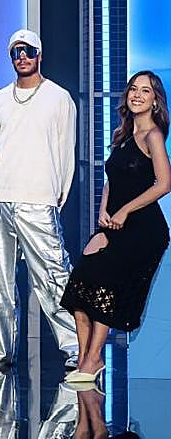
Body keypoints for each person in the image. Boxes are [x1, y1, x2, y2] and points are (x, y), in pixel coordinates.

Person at [0, 30, 80, 371]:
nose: (23, 57)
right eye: (16, 52)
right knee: (0, 279)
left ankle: (75, 346)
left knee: (52, 276)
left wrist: (57, 195)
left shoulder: (59, 98)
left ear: (40, 55)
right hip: (1, 195)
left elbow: (66, 150)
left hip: (39, 196)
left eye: (29, 51)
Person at [61, 71, 170, 385]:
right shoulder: (122, 134)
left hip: (144, 229)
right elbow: (113, 180)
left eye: (145, 91)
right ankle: (86, 359)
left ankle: (93, 358)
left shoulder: (153, 136)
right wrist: (104, 209)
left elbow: (164, 183)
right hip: (114, 224)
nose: (137, 95)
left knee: (104, 285)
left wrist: (124, 210)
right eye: (133, 89)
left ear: (155, 100)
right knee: (78, 286)